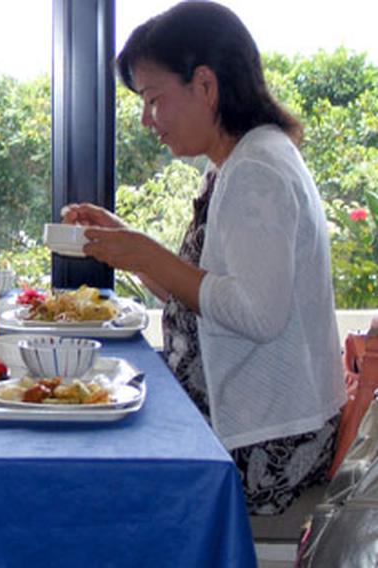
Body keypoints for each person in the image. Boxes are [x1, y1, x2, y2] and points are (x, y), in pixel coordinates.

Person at [62, 1, 346, 515]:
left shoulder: (257, 170)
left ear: (206, 85)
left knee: (86, 478)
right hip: (248, 419)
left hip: (266, 441)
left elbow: (257, 314)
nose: (147, 119)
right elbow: (206, 293)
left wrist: (147, 253)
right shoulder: (237, 161)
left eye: (153, 99)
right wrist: (129, 246)